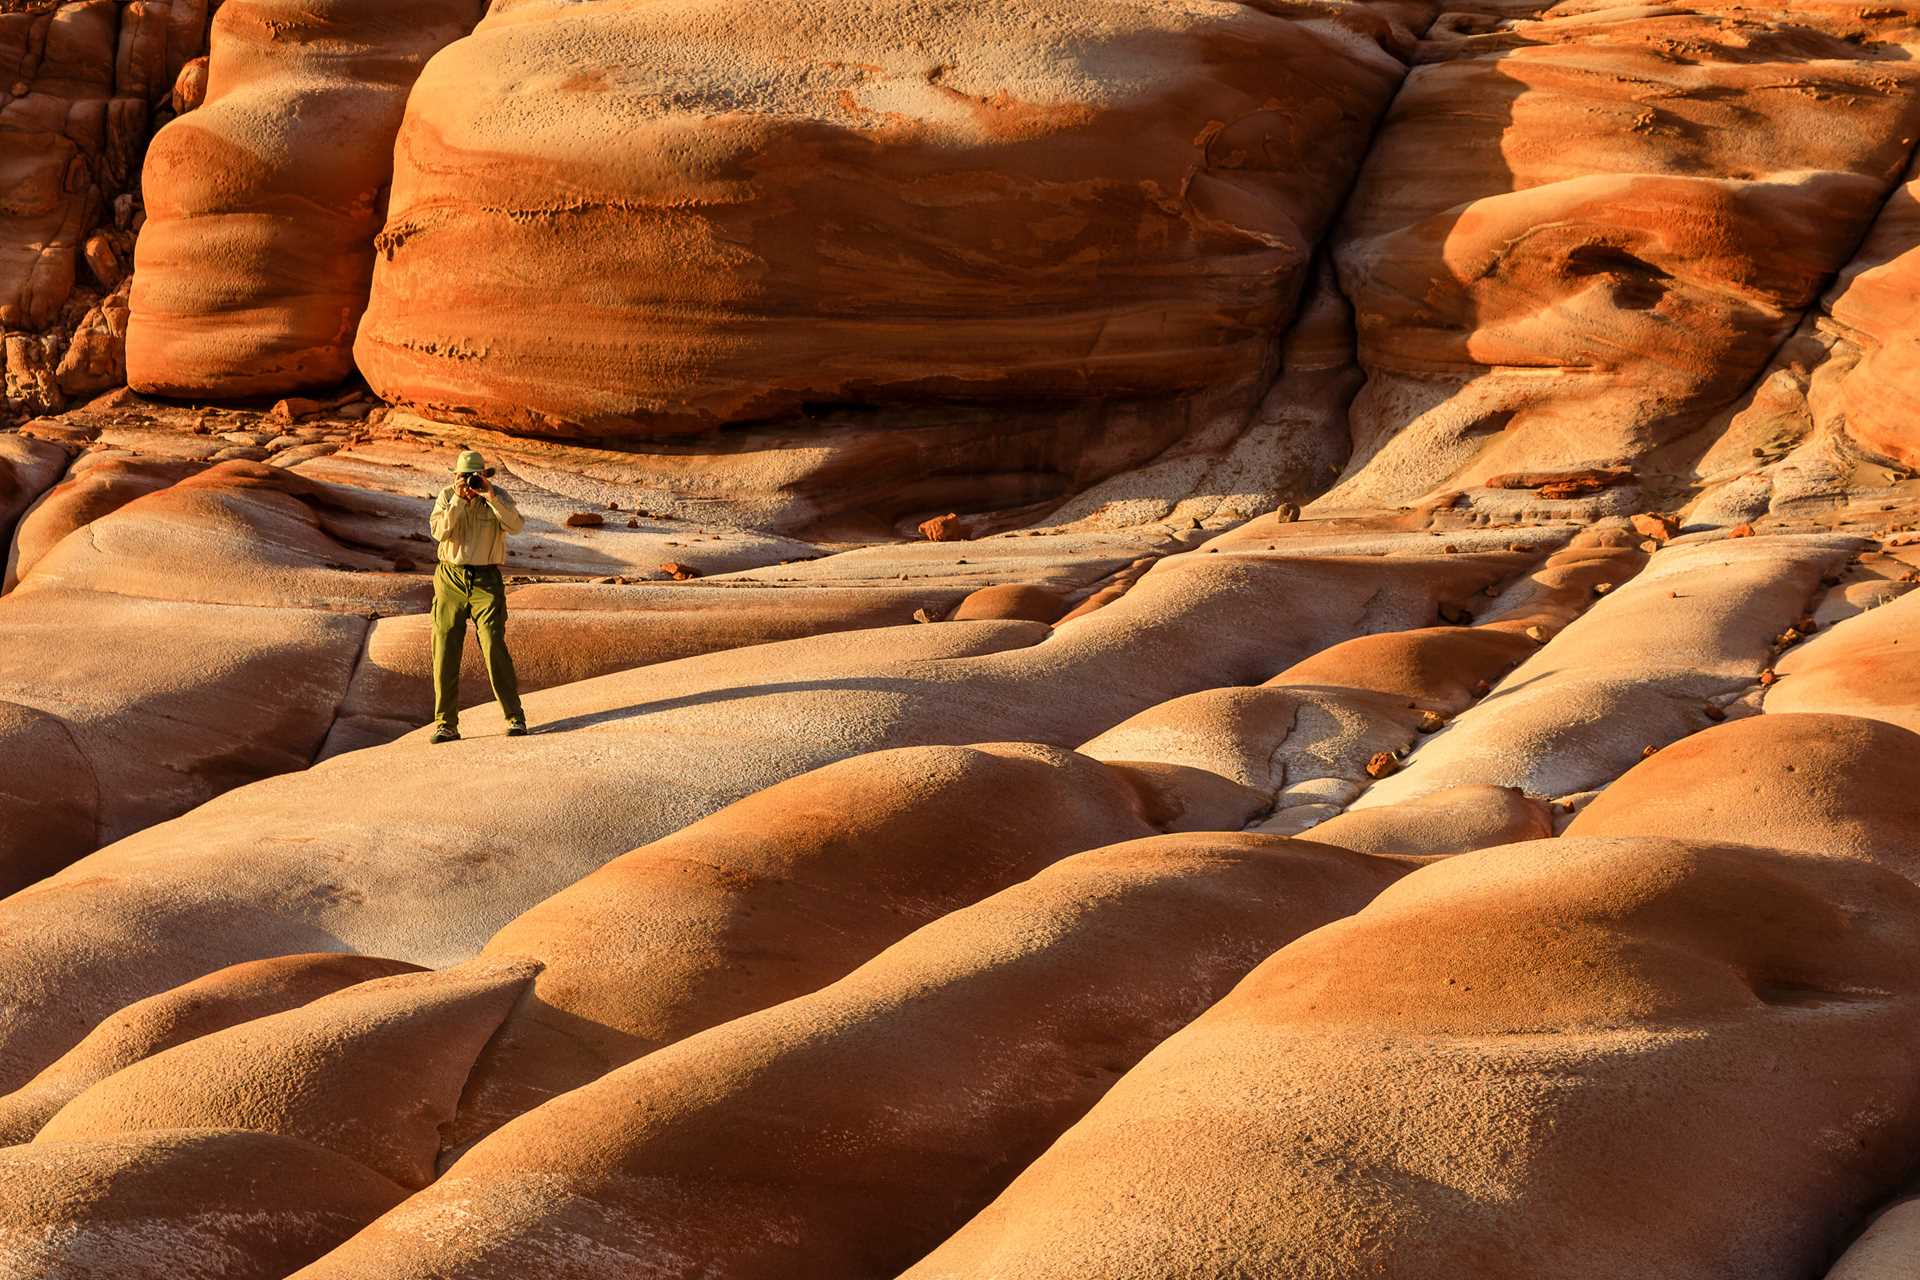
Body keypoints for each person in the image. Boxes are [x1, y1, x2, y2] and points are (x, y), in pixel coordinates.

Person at [427, 449, 528, 743]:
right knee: (444, 647)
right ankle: (446, 724)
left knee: (494, 643)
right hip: (450, 577)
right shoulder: (447, 496)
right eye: (463, 476)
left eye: (475, 476)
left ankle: (515, 718)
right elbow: (439, 532)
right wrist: (459, 500)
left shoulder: (496, 495)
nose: (469, 482)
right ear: (455, 476)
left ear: (484, 475)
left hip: (486, 579)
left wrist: (491, 497)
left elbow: (517, 526)